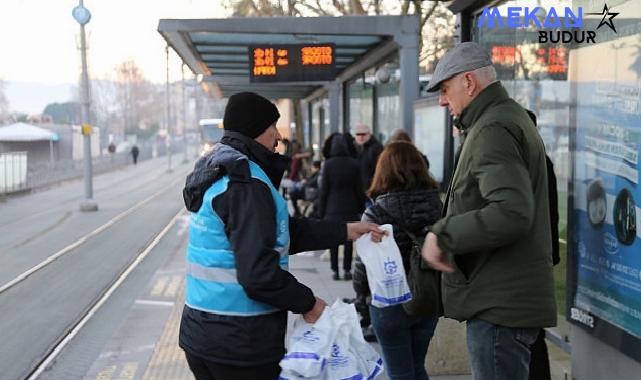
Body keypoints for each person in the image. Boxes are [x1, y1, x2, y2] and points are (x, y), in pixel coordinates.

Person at [180, 92, 384, 380]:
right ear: (254, 130)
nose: (278, 136)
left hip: (204, 332)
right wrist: (309, 304)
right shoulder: (246, 184)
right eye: (272, 127)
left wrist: (345, 230)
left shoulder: (217, 168)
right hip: (239, 341)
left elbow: (278, 233)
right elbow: (259, 274)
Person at [421, 42, 557, 380]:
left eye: (445, 88)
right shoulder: (502, 119)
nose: (441, 100)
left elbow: (511, 212)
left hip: (499, 307)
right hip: (503, 301)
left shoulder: (492, 128)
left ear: (468, 82)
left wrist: (443, 234)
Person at [360, 141, 443, 380]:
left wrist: (361, 298)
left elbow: (362, 264)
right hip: (427, 294)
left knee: (399, 371)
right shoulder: (437, 205)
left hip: (388, 299)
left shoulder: (375, 212)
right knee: (417, 365)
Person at [526, 109, 560, 380]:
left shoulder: (532, 163)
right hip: (542, 255)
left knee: (530, 332)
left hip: (532, 258)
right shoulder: (542, 160)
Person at [318, 133, 365, 281]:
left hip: (332, 208)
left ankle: (335, 270)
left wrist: (321, 210)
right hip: (350, 206)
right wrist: (360, 207)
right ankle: (347, 269)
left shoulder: (328, 164)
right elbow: (359, 189)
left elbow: (324, 189)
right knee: (349, 239)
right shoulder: (354, 164)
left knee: (333, 239)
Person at [353, 123, 383, 191]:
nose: (361, 137)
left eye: (363, 134)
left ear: (369, 134)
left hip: (371, 188)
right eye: (358, 134)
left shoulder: (376, 148)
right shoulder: (353, 149)